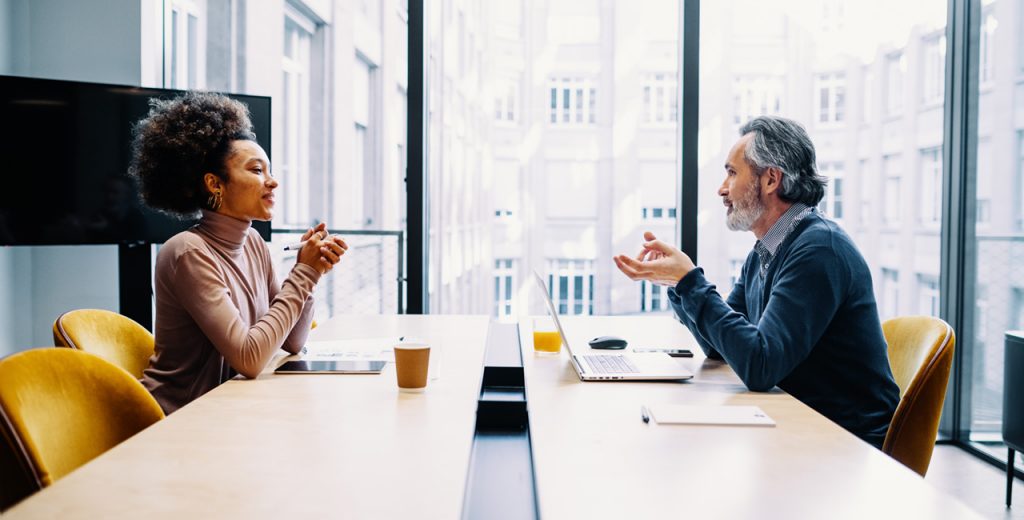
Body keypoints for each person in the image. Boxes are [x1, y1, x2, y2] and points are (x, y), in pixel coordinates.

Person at [614, 115, 899, 449]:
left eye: (732, 173)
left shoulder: (820, 250)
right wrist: (678, 284)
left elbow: (760, 367)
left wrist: (690, 281)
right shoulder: (767, 251)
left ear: (770, 179)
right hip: (805, 425)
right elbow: (719, 347)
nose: (722, 188)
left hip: (849, 445)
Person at [130, 92, 348, 414]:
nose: (272, 182)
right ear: (215, 184)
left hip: (231, 408)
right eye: (257, 170)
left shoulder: (253, 244)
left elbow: (293, 341)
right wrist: (303, 275)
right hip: (182, 419)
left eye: (270, 171)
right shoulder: (188, 253)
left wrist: (310, 275)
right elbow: (250, 358)